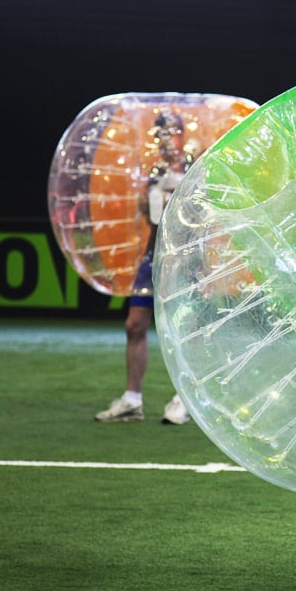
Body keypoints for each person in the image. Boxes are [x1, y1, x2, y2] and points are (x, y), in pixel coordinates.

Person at [95, 110, 192, 425]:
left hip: (185, 256)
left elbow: (203, 218)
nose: (164, 139)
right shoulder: (153, 172)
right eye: (159, 133)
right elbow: (147, 215)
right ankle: (132, 399)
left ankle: (184, 399)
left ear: (182, 135)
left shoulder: (196, 169)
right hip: (154, 255)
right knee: (135, 324)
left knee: (182, 330)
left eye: (170, 132)